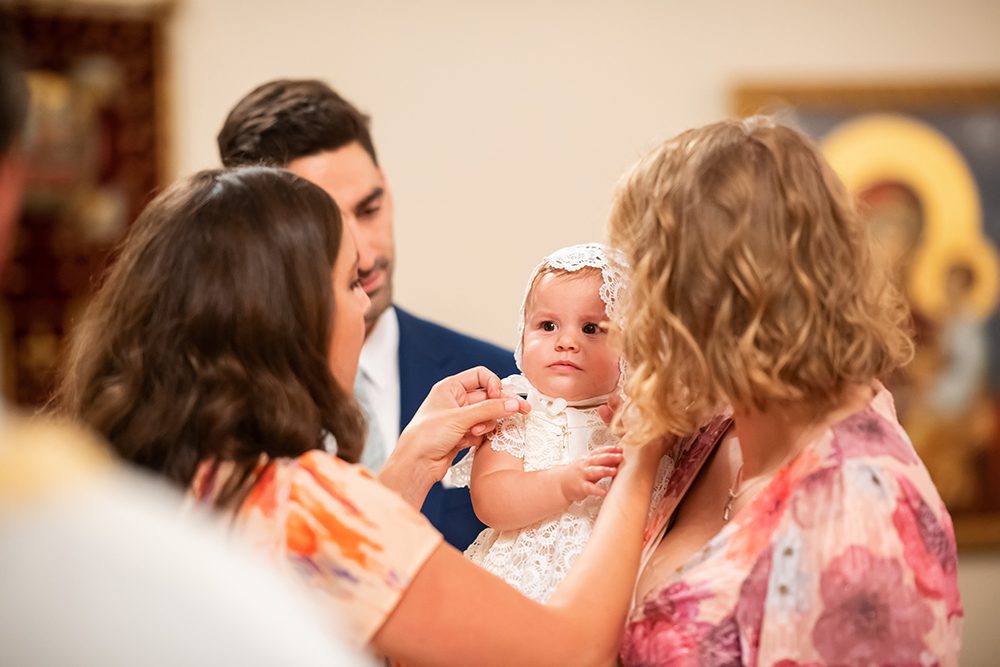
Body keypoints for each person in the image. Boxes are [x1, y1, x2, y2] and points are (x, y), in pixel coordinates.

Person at [55, 165, 664, 665]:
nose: (366, 303)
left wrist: (411, 460)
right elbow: (569, 651)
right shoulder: (307, 505)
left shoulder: (137, 482)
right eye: (351, 283)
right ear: (291, 319)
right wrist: (642, 459)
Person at [0, 27, 368, 667]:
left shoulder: (125, 474)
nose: (365, 290)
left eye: (373, 205)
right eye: (345, 276)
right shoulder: (75, 529)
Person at [608, 117, 963, 664]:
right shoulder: (715, 422)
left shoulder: (862, 507)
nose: (626, 317)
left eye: (643, 283)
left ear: (706, 297)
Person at [217, 79, 518, 550]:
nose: (363, 252)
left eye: (370, 208)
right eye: (328, 225)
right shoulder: (215, 407)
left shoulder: (506, 378)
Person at [445, 242, 637, 602]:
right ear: (521, 334)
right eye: (548, 325)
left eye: (592, 329)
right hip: (522, 580)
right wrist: (562, 485)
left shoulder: (635, 422)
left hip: (617, 576)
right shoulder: (516, 415)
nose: (566, 341)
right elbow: (490, 501)